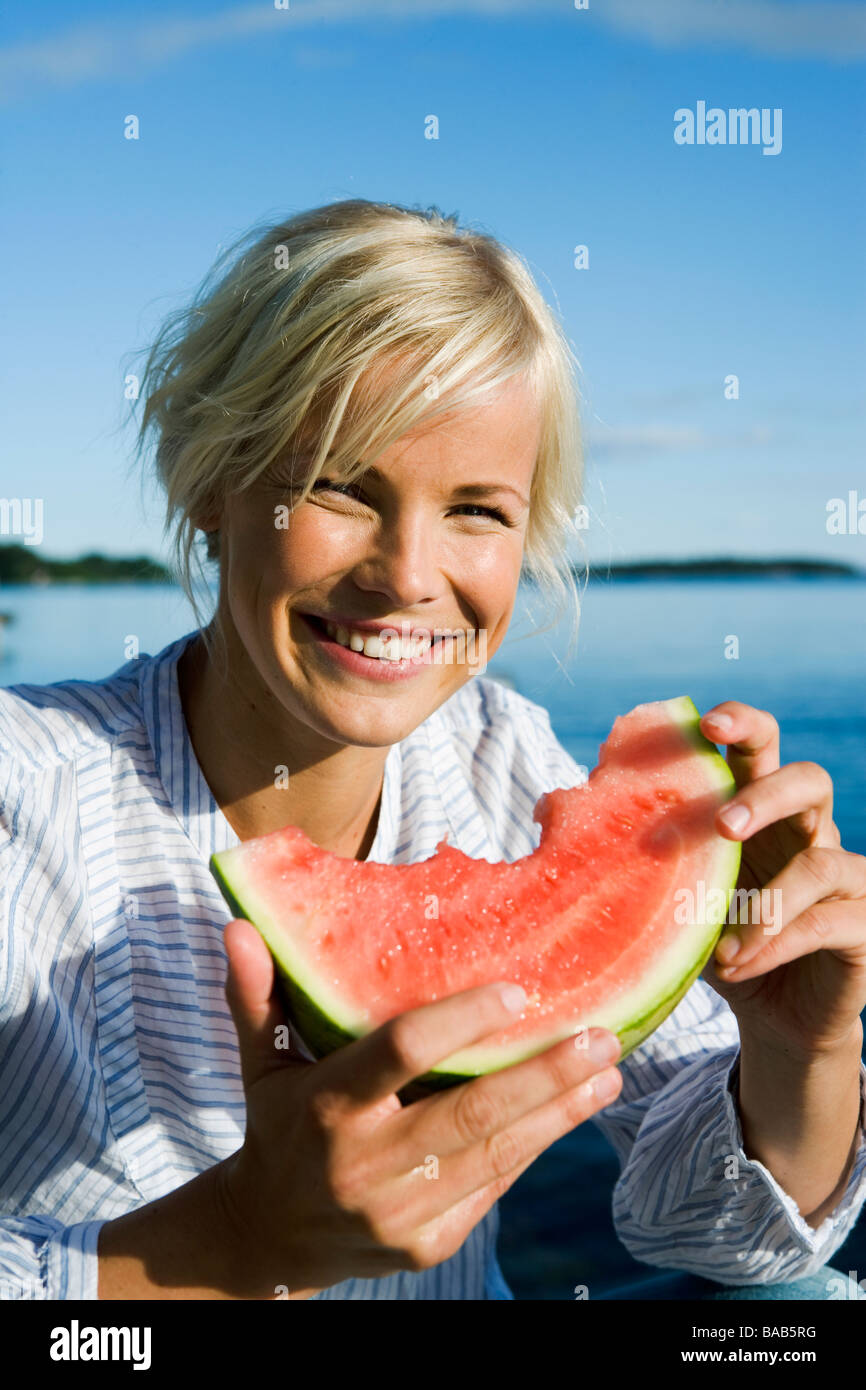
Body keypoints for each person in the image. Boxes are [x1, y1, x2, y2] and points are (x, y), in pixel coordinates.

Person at [1, 199, 864, 1302]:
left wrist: (797, 1050)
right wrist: (234, 1240)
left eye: (476, 510)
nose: (406, 573)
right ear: (209, 488)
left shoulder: (500, 755)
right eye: (338, 486)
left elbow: (719, 1236)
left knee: (797, 1308)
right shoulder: (23, 803)